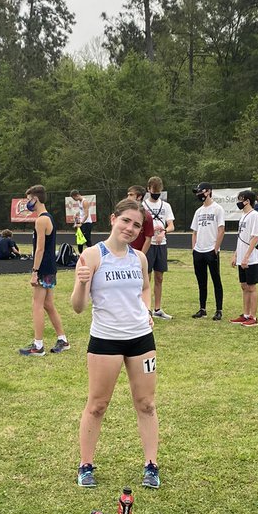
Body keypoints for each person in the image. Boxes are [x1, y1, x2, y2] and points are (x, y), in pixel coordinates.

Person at [71, 198, 160, 489]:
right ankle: (86, 465)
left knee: (146, 404)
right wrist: (82, 282)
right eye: (126, 221)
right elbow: (78, 307)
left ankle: (151, 465)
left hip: (141, 340)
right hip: (106, 340)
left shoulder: (140, 259)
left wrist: (147, 311)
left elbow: (145, 288)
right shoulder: (92, 256)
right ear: (113, 219)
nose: (131, 228)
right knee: (97, 405)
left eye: (137, 225)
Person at [19, 185, 70, 356]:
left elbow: (39, 249)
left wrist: (34, 271)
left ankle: (38, 346)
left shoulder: (41, 220)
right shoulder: (48, 218)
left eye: (29, 200)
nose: (28, 203)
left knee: (37, 305)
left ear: (36, 199)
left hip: (43, 268)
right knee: (48, 304)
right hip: (50, 267)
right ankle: (63, 339)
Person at [142, 175, 175, 320]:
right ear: (148, 189)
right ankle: (145, 308)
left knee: (159, 277)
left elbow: (171, 225)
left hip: (161, 244)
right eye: (153, 190)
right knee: (146, 277)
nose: (156, 193)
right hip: (148, 244)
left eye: (158, 191)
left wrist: (164, 231)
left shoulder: (166, 206)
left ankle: (157, 308)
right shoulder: (143, 206)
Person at [190, 183, 225, 320]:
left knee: (216, 280)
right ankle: (202, 308)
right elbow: (194, 231)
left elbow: (221, 230)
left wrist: (215, 249)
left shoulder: (218, 209)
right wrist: (194, 248)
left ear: (209, 191)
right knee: (201, 281)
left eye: (201, 192)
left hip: (211, 250)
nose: (199, 195)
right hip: (199, 251)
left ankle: (219, 310)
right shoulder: (198, 211)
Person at [230, 190, 258, 326]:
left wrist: (247, 257)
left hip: (251, 259)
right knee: (244, 286)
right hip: (241, 257)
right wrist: (236, 254)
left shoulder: (254, 215)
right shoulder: (243, 216)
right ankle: (245, 314)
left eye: (240, 199)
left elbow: (255, 237)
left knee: (251, 287)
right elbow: (241, 238)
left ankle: (253, 317)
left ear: (247, 201)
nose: (238, 202)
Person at [126, 185, 154, 260]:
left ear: (139, 197)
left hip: (138, 253)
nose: (128, 197)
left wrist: (141, 257)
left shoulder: (147, 216)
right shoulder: (124, 213)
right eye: (128, 195)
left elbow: (148, 239)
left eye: (131, 195)